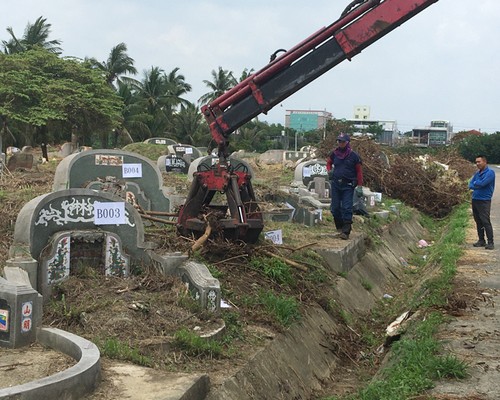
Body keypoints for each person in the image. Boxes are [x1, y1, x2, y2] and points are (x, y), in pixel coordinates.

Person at [326, 133, 363, 240]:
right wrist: (329, 171)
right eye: (339, 141)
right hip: (336, 184)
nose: (340, 143)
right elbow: (328, 163)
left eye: (342, 141)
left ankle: (346, 231)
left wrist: (360, 186)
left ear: (347, 142)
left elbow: (359, 172)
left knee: (347, 207)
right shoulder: (334, 153)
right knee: (335, 208)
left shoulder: (354, 156)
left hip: (348, 185)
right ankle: (340, 227)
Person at [469, 155, 495, 250]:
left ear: (485, 162)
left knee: (485, 221)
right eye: (476, 162)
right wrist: (476, 184)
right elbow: (470, 184)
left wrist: (476, 183)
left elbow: (483, 184)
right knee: (478, 221)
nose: (477, 164)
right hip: (475, 199)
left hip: (484, 200)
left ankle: (490, 242)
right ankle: (481, 240)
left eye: (479, 162)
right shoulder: (477, 173)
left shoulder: (490, 173)